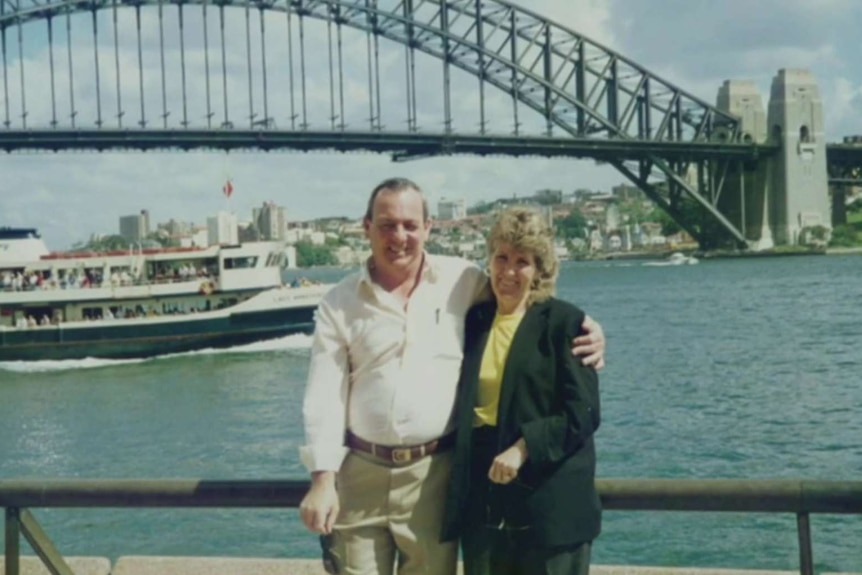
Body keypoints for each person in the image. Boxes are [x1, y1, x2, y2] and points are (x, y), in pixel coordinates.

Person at [298, 178, 605, 575]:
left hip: (433, 479)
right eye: (388, 224)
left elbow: (532, 309)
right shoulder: (339, 302)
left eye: (410, 225)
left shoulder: (460, 281)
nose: (400, 236)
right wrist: (323, 479)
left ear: (429, 228)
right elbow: (324, 395)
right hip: (360, 475)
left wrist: (589, 328)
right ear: (366, 227)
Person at [441, 206, 601, 575]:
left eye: (522, 261)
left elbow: (585, 412)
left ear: (540, 270)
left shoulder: (564, 322)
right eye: (501, 257)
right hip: (484, 501)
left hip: (550, 505)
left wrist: (523, 447)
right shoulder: (475, 321)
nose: (508, 271)